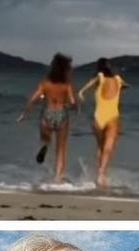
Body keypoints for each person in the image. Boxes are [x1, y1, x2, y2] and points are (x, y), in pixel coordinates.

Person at [20, 53, 78, 183]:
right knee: (61, 149)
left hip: (47, 113)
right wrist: (76, 109)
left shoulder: (45, 84)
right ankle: (57, 178)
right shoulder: (67, 85)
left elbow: (33, 99)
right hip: (62, 113)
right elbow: (72, 102)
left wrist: (24, 114)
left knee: (45, 138)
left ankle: (45, 145)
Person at [77, 57, 128, 188]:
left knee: (100, 147)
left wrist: (81, 93)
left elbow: (84, 89)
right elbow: (126, 86)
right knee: (108, 148)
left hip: (98, 118)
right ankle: (101, 174)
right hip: (113, 118)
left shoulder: (99, 77)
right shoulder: (118, 79)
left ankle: (99, 174)